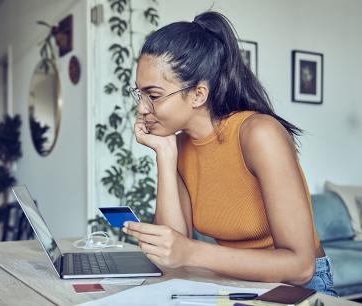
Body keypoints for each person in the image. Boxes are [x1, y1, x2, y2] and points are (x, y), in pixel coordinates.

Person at [122, 10, 337, 296]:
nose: (142, 108)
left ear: (198, 94)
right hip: (235, 283)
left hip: (299, 288)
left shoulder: (259, 134)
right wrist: (164, 153)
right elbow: (174, 258)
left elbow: (300, 266)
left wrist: (191, 253)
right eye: (140, 94)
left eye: (154, 95)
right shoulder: (181, 146)